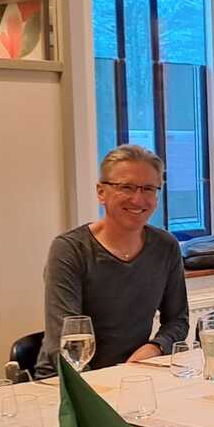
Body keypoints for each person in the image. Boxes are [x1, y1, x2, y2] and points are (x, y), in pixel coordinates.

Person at [36, 145, 188, 376]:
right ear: (101, 192)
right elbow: (64, 342)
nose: (138, 199)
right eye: (126, 187)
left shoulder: (165, 246)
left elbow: (178, 320)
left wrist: (156, 347)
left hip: (133, 374)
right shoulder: (70, 250)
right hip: (68, 379)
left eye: (148, 189)